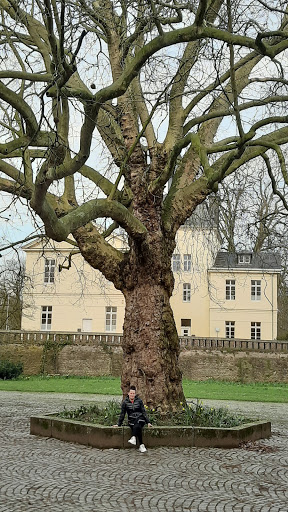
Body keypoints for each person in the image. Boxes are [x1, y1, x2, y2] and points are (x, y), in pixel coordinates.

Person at [113, 385, 152, 453]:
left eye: (133, 393)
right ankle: (141, 445)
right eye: (131, 393)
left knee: (139, 421)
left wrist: (148, 422)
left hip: (141, 419)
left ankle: (134, 437)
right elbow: (123, 414)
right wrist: (118, 424)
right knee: (138, 426)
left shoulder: (139, 401)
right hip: (132, 420)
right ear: (128, 393)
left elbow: (143, 412)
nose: (132, 395)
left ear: (135, 394)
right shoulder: (125, 402)